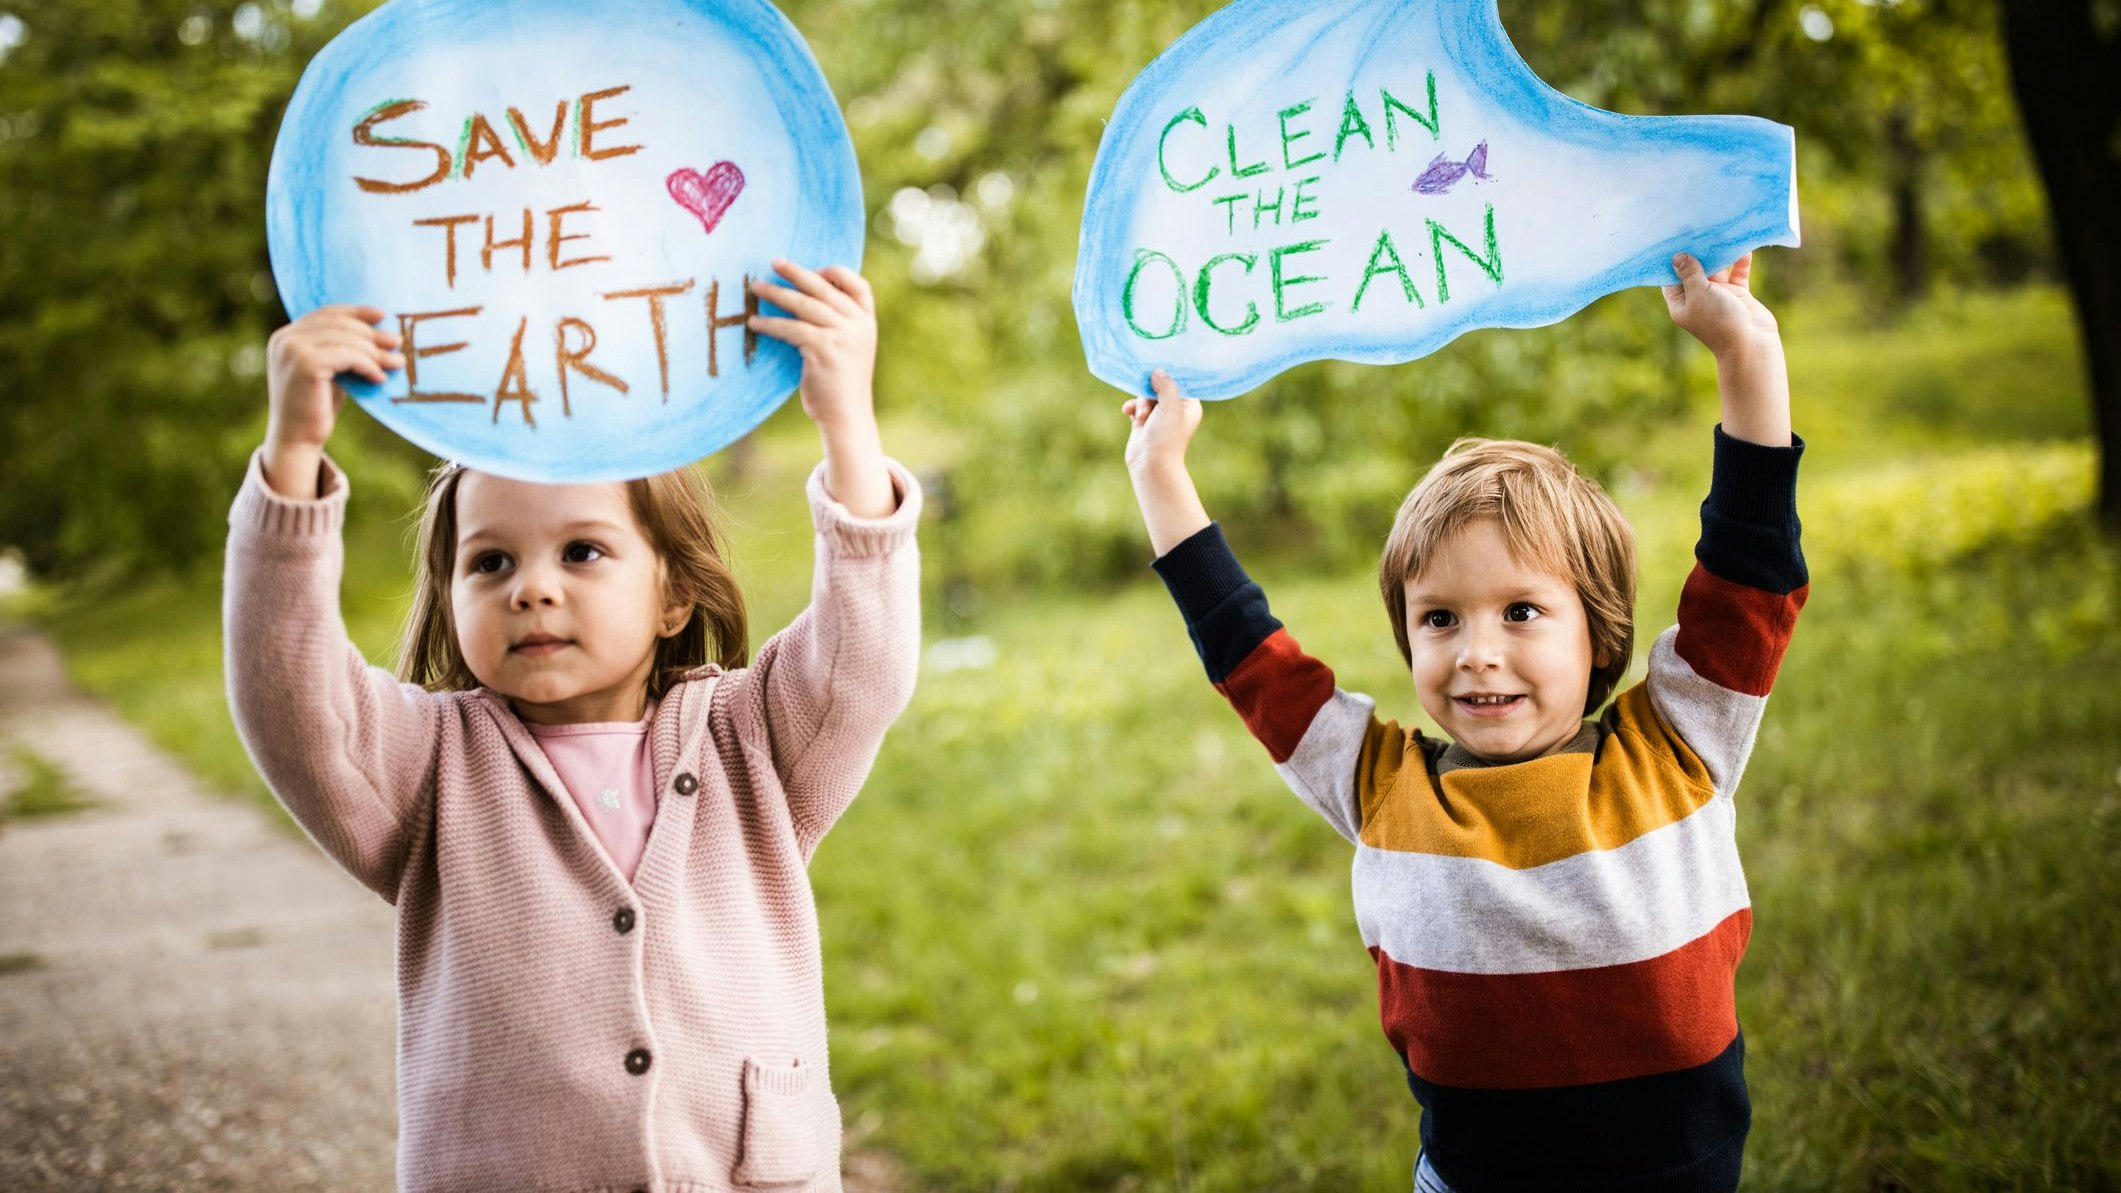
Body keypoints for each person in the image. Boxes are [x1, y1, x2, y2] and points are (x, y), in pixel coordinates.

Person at [224, 260, 919, 1192]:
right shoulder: (429, 766)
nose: (533, 585)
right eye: (491, 561)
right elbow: (290, 697)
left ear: (673, 592)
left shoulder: (751, 738)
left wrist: (848, 427)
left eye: (582, 550)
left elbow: (862, 664)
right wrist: (293, 461)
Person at [1121, 252, 1806, 1192]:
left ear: (1598, 626)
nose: (1474, 650)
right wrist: (1161, 471)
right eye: (1439, 618)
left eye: (1520, 612)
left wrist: (1745, 358)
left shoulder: (1679, 742)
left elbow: (1748, 568)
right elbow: (1248, 654)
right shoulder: (1380, 788)